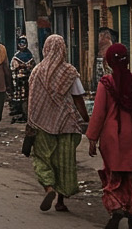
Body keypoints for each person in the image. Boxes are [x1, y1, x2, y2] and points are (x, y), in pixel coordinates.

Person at [87, 43, 132, 228]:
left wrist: (92, 138)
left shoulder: (106, 83)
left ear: (109, 61)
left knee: (113, 175)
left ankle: (116, 208)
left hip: (112, 136)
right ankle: (131, 214)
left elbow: (99, 113)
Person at [27, 34, 90, 213]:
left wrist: (30, 121)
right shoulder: (70, 72)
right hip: (66, 124)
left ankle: (49, 188)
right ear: (63, 50)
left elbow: (32, 99)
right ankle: (60, 201)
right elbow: (78, 99)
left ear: (45, 49)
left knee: (41, 158)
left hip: (42, 124)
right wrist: (86, 119)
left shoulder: (37, 71)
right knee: (64, 162)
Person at [9, 35, 35, 124]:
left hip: (26, 81)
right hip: (19, 82)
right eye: (21, 43)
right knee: (22, 98)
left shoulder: (29, 56)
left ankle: (26, 115)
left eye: (24, 43)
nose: (22, 45)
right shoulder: (17, 56)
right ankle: (23, 113)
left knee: (26, 98)